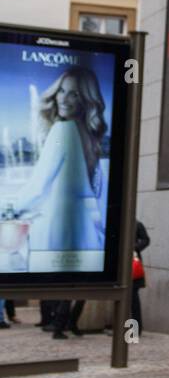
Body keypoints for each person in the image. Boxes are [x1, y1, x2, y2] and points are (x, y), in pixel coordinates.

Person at [14, 66, 106, 255]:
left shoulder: (63, 130)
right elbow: (99, 193)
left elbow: (38, 187)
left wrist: (10, 208)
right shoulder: (90, 138)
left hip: (55, 230)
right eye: (62, 91)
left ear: (85, 100)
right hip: (85, 232)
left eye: (74, 94)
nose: (63, 98)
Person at [132, 218, 150, 333]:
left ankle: (135, 328)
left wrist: (134, 247)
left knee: (133, 299)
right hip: (119, 267)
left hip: (132, 265)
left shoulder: (137, 224)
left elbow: (145, 240)